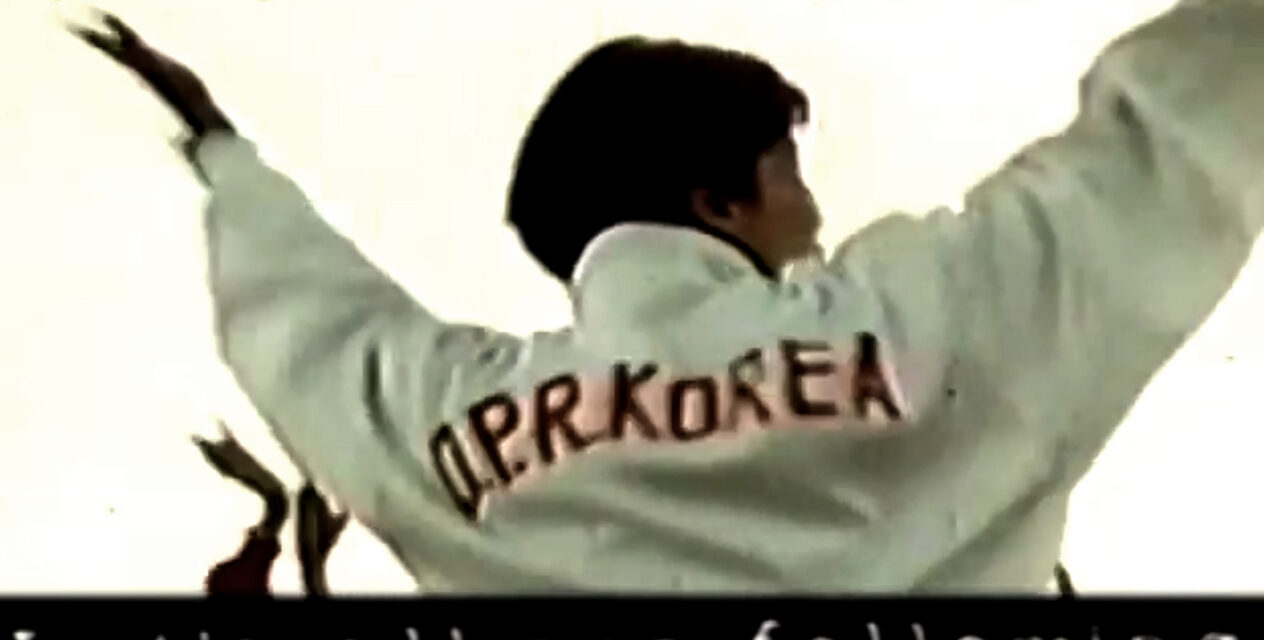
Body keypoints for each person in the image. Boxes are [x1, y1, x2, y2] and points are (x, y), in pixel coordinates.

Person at [70, 2, 1264, 593]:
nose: (812, 211)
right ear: (718, 199)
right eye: (789, 171)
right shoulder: (917, 318)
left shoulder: (449, 420)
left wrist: (228, 158)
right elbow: (1151, 149)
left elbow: (317, 324)